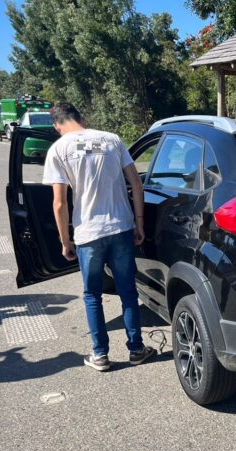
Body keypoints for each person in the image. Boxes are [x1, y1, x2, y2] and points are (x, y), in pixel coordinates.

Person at [43, 103, 155, 371]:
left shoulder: (58, 149)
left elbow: (59, 203)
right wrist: (139, 222)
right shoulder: (112, 140)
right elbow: (136, 184)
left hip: (88, 234)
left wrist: (65, 241)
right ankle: (136, 349)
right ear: (83, 118)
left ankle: (100, 355)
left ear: (57, 126)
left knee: (92, 294)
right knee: (128, 290)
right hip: (121, 227)